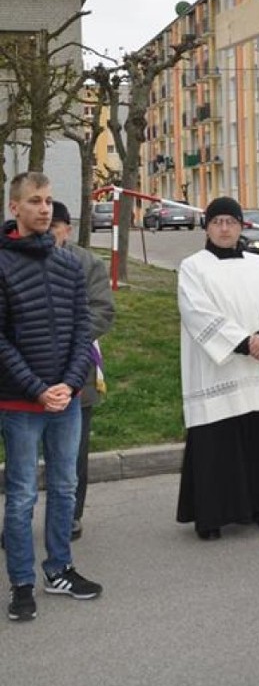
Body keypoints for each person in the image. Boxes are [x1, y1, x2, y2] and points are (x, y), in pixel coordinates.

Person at [0, 172, 103, 623]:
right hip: (21, 404)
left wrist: (68, 383)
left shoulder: (68, 264)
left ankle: (59, 569)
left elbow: (84, 331)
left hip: (66, 400)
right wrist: (38, 388)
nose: (45, 209)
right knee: (22, 496)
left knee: (64, 487)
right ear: (13, 208)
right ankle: (22, 583)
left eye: (49, 201)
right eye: (35, 201)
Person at [176, 196, 259, 540]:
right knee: (216, 442)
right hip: (218, 366)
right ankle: (212, 514)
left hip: (258, 368)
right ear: (207, 227)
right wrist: (243, 342)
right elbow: (196, 311)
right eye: (217, 222)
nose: (224, 228)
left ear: (240, 226)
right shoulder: (193, 267)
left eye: (230, 222)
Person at [49, 201, 116, 539]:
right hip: (23, 375)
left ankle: (69, 516)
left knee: (74, 451)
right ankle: (17, 518)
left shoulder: (88, 263)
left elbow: (102, 310)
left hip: (77, 371)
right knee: (23, 454)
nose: (50, 232)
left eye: (55, 226)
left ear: (67, 229)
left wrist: (64, 340)